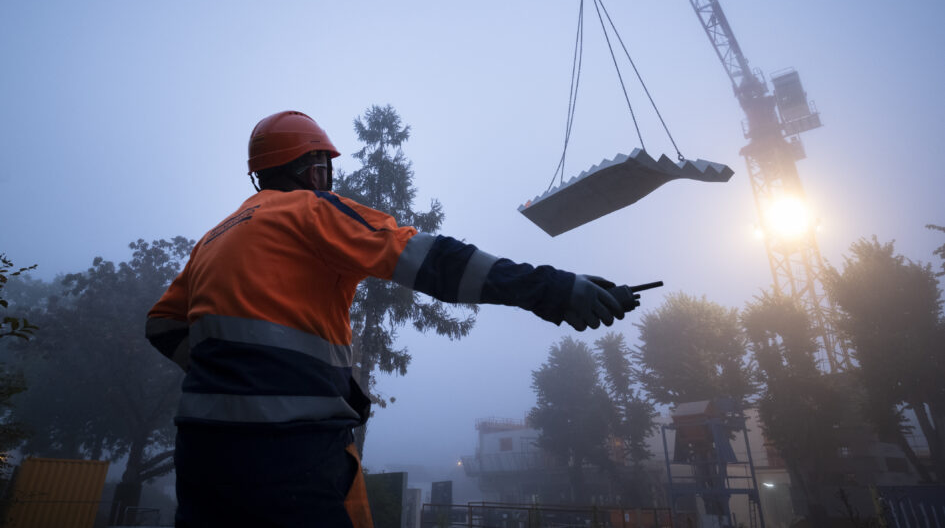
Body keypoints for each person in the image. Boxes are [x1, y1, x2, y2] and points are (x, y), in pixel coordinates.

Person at [146, 110, 637, 528]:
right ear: (312, 168)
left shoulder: (212, 239)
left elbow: (162, 325)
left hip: (201, 460)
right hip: (290, 457)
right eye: (322, 166)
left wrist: (239, 377)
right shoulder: (310, 213)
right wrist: (554, 290)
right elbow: (434, 262)